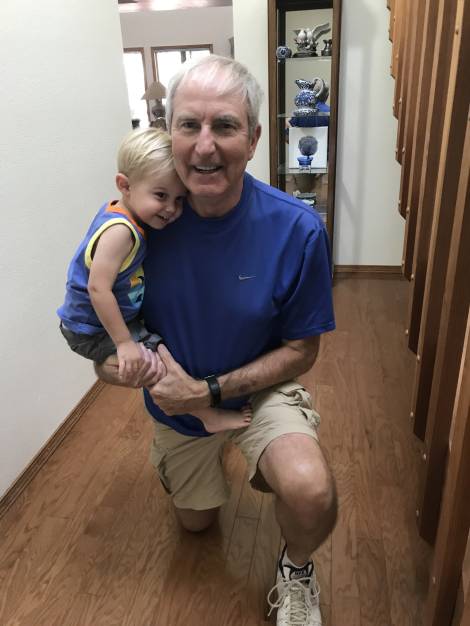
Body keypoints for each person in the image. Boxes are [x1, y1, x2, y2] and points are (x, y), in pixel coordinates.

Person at [96, 56, 337, 626]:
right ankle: (206, 459)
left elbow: (303, 350)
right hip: (177, 406)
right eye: (189, 125)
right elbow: (97, 345)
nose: (205, 146)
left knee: (310, 491)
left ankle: (296, 569)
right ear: (169, 132)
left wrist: (208, 391)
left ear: (253, 140)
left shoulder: (298, 229)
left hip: (258, 390)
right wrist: (136, 374)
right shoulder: (134, 229)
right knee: (197, 524)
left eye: (225, 126)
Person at [57, 127, 252, 434]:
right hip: (90, 329)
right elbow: (97, 288)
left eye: (179, 199)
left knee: (158, 351)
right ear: (125, 185)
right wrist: (124, 343)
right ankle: (206, 416)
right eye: (161, 196)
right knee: (153, 365)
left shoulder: (123, 213)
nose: (171, 209)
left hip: (104, 321)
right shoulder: (121, 231)